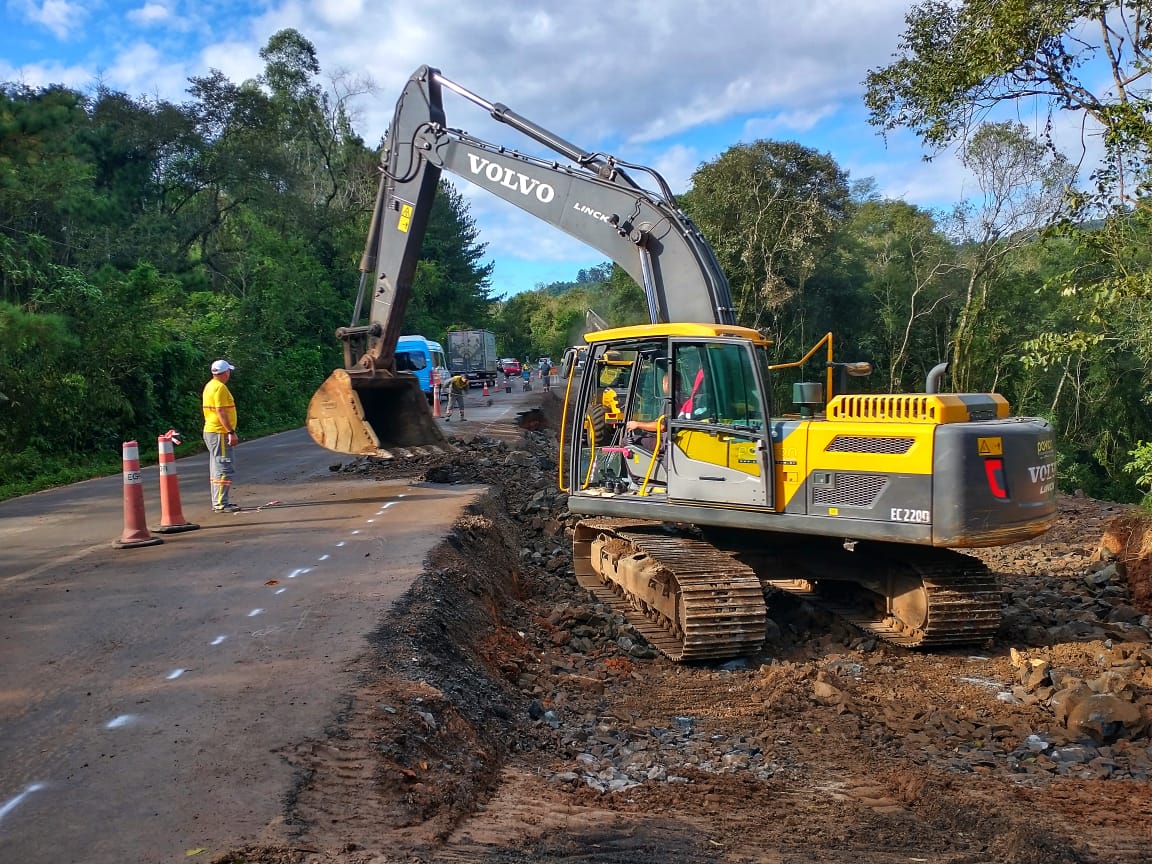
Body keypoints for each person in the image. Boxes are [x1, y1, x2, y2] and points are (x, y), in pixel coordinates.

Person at [202, 359, 240, 512]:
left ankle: (218, 501)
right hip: (220, 432)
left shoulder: (210, 385)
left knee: (217, 468)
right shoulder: (220, 388)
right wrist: (230, 432)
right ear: (226, 372)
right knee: (224, 467)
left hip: (212, 431)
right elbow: (221, 411)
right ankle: (221, 503)